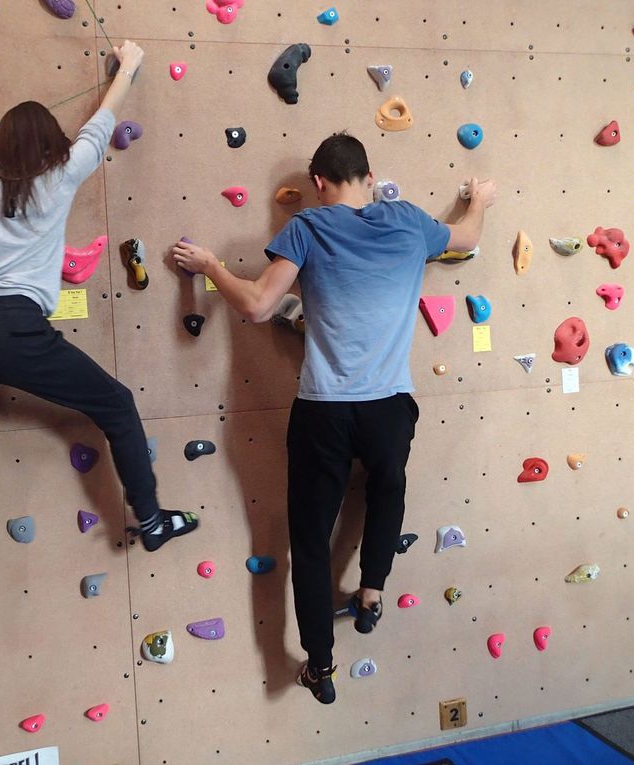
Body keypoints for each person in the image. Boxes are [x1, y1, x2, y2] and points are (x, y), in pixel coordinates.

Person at [172, 133, 496, 703]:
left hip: (324, 409)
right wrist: (479, 199)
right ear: (370, 178)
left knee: (310, 539)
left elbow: (255, 305)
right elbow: (467, 239)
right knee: (388, 489)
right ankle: (372, 591)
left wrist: (208, 265)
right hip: (389, 406)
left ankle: (319, 666)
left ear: (318, 185)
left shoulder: (307, 228)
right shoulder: (408, 222)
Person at [0, 40, 199, 637]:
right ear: (48, 149)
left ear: (0, 142)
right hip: (18, 330)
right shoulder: (62, 173)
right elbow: (100, 123)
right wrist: (131, 64)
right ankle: (152, 519)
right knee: (114, 403)